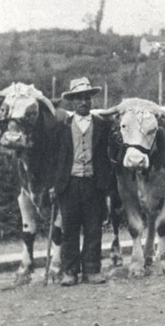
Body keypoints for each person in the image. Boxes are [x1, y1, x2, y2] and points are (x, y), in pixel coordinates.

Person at [52, 77, 114, 286]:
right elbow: (55, 157)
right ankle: (70, 271)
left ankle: (92, 270)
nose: (84, 102)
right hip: (69, 184)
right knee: (69, 228)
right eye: (79, 98)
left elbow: (107, 156)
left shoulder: (102, 125)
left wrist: (106, 185)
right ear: (72, 101)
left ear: (92, 100)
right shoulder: (63, 126)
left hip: (94, 184)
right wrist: (54, 184)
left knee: (93, 228)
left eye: (87, 98)